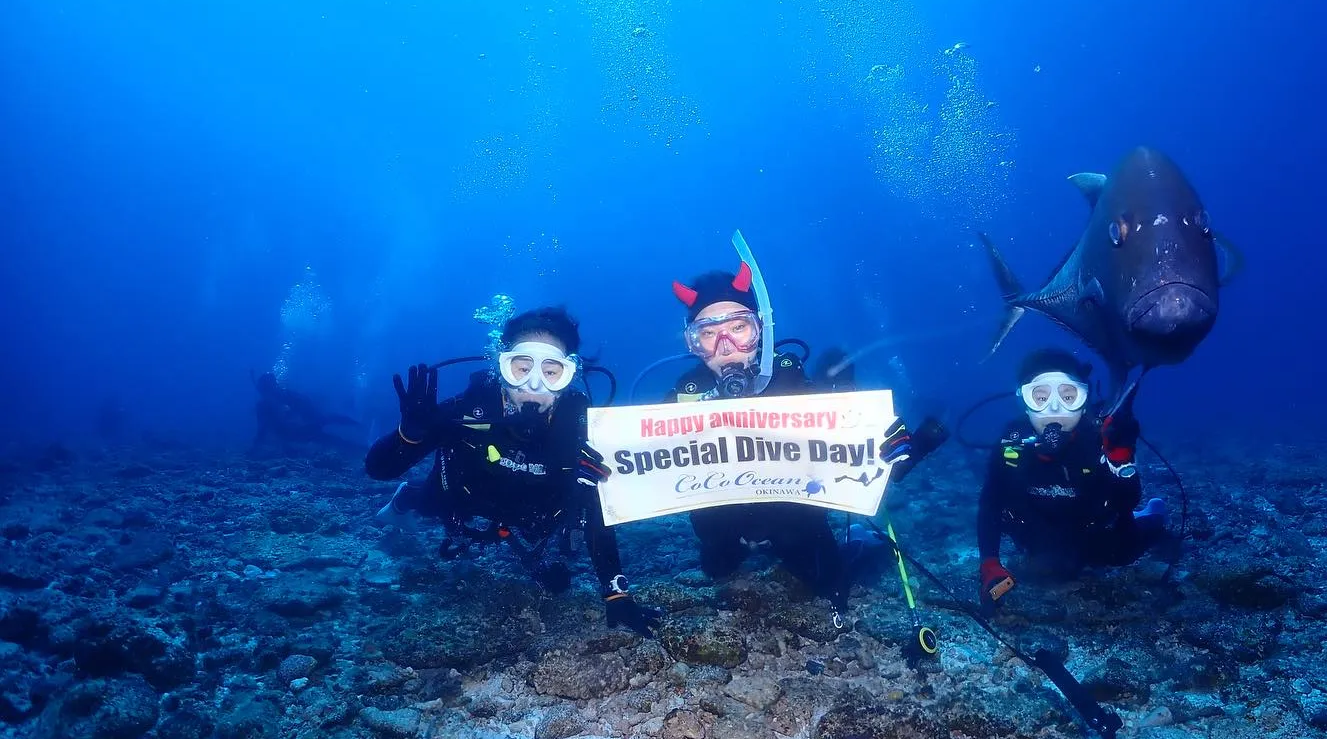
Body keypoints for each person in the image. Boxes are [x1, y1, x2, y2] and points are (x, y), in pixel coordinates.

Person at [666, 258, 946, 619]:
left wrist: (884, 438)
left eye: (739, 327)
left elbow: (848, 444)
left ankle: (866, 542)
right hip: (723, 528)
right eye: (707, 333)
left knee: (830, 583)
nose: (726, 346)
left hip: (793, 525)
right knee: (716, 571)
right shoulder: (685, 393)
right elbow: (640, 453)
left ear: (761, 330)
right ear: (693, 342)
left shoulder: (791, 380)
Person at [363, 307, 659, 637]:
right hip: (464, 499)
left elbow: (598, 511)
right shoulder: (469, 409)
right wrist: (409, 435)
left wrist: (616, 592)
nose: (533, 386)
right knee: (430, 502)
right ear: (502, 367)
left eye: (551, 372)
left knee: (561, 539)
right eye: (521, 368)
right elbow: (378, 469)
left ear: (569, 375)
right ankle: (407, 498)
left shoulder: (580, 429)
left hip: (535, 513)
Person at [976, 348, 1169, 604]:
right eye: (1040, 397)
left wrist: (1120, 459)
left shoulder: (1102, 436)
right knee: (1050, 568)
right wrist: (990, 563)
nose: (1054, 408)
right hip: (1038, 528)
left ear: (1084, 399)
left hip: (1093, 526)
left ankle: (1153, 516)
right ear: (1024, 401)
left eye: (1068, 396)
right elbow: (991, 503)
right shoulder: (1012, 442)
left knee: (1121, 554)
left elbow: (1126, 501)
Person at [252, 371, 359, 451]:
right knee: (328, 435)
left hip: (303, 427)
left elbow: (262, 429)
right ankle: (357, 444)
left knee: (328, 426)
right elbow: (263, 429)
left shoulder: (286, 396)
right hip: (297, 432)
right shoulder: (266, 404)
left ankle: (357, 433)